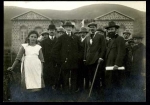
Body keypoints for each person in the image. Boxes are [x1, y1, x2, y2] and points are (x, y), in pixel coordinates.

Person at [7, 30, 45, 101]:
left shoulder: (38, 47)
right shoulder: (24, 47)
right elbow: (18, 58)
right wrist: (12, 67)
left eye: (35, 37)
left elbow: (42, 60)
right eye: (32, 37)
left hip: (37, 69)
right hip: (27, 68)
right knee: (27, 86)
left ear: (37, 38)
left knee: (36, 88)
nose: (33, 38)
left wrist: (41, 72)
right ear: (28, 37)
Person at [51, 21, 82, 97]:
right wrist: (60, 61)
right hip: (65, 63)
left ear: (72, 28)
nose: (68, 28)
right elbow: (54, 51)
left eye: (70, 27)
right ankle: (66, 96)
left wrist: (78, 57)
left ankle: (73, 95)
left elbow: (81, 49)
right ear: (64, 28)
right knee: (65, 80)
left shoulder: (76, 38)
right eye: (66, 27)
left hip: (74, 63)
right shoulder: (61, 38)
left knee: (74, 79)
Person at [104, 21, 126, 101]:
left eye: (112, 29)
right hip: (108, 65)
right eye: (109, 29)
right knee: (109, 83)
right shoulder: (110, 40)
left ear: (116, 30)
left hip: (115, 67)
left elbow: (121, 53)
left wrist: (117, 64)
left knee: (115, 84)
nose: (110, 31)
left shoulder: (120, 39)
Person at [84, 22, 106, 96]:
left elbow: (103, 48)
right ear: (89, 29)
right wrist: (85, 58)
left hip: (96, 60)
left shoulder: (100, 36)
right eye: (90, 27)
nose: (92, 28)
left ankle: (97, 92)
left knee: (96, 76)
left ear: (96, 28)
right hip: (88, 60)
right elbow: (86, 49)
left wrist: (100, 57)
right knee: (90, 76)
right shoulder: (87, 37)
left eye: (93, 27)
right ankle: (92, 90)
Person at [40, 23, 58, 94]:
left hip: (56, 63)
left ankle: (55, 92)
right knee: (47, 77)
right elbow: (42, 53)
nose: (51, 31)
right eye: (50, 30)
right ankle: (47, 93)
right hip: (47, 63)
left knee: (55, 77)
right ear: (48, 31)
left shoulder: (58, 40)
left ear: (55, 31)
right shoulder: (43, 42)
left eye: (53, 30)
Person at [130, 34, 145, 98]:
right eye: (134, 39)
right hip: (134, 67)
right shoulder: (134, 47)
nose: (135, 40)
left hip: (139, 67)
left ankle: (140, 95)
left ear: (141, 40)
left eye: (137, 39)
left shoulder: (143, 47)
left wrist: (143, 70)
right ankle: (135, 94)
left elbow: (144, 59)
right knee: (134, 81)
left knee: (139, 81)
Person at [76, 27, 89, 92]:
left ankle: (86, 87)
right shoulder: (78, 39)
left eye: (84, 33)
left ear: (86, 33)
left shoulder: (88, 39)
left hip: (86, 59)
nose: (82, 34)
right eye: (81, 33)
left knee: (86, 74)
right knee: (79, 74)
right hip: (79, 60)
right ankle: (80, 87)